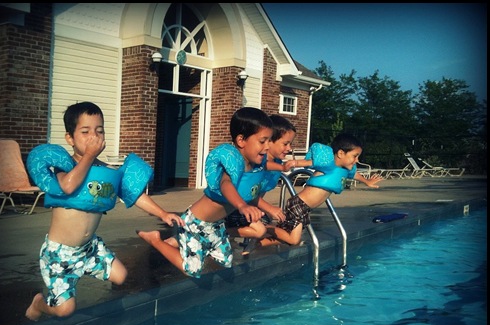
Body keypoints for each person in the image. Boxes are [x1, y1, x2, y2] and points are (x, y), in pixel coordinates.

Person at [25, 101, 184, 321]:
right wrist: (88, 157)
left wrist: (163, 214)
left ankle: (78, 277)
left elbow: (133, 194)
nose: (94, 137)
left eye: (99, 131)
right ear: (70, 138)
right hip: (59, 253)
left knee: (121, 276)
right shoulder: (65, 166)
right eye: (85, 131)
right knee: (65, 310)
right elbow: (68, 186)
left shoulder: (106, 172)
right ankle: (39, 304)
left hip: (89, 248)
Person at [137, 107, 274, 277]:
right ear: (241, 140)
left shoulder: (252, 168)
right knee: (193, 269)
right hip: (195, 223)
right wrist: (242, 206)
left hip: (216, 226)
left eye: (269, 141)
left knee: (225, 261)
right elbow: (225, 185)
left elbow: (251, 191)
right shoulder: (231, 163)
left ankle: (180, 241)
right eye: (263, 141)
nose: (267, 147)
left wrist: (270, 208)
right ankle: (155, 239)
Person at [257, 132, 383, 249]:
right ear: (340, 154)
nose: (357, 160)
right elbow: (310, 162)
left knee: (286, 236)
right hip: (298, 205)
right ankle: (263, 228)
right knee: (294, 239)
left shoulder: (346, 170)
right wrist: (295, 162)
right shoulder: (328, 165)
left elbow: (355, 175)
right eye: (355, 156)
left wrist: (367, 181)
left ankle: (256, 244)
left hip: (305, 208)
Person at [225, 114, 297, 255]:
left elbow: (258, 193)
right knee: (263, 228)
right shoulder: (257, 165)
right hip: (235, 208)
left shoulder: (276, 163)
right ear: (270, 142)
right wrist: (269, 208)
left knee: (276, 227)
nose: (289, 148)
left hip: (251, 207)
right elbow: (247, 193)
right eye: (285, 143)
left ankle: (249, 243)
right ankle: (221, 232)